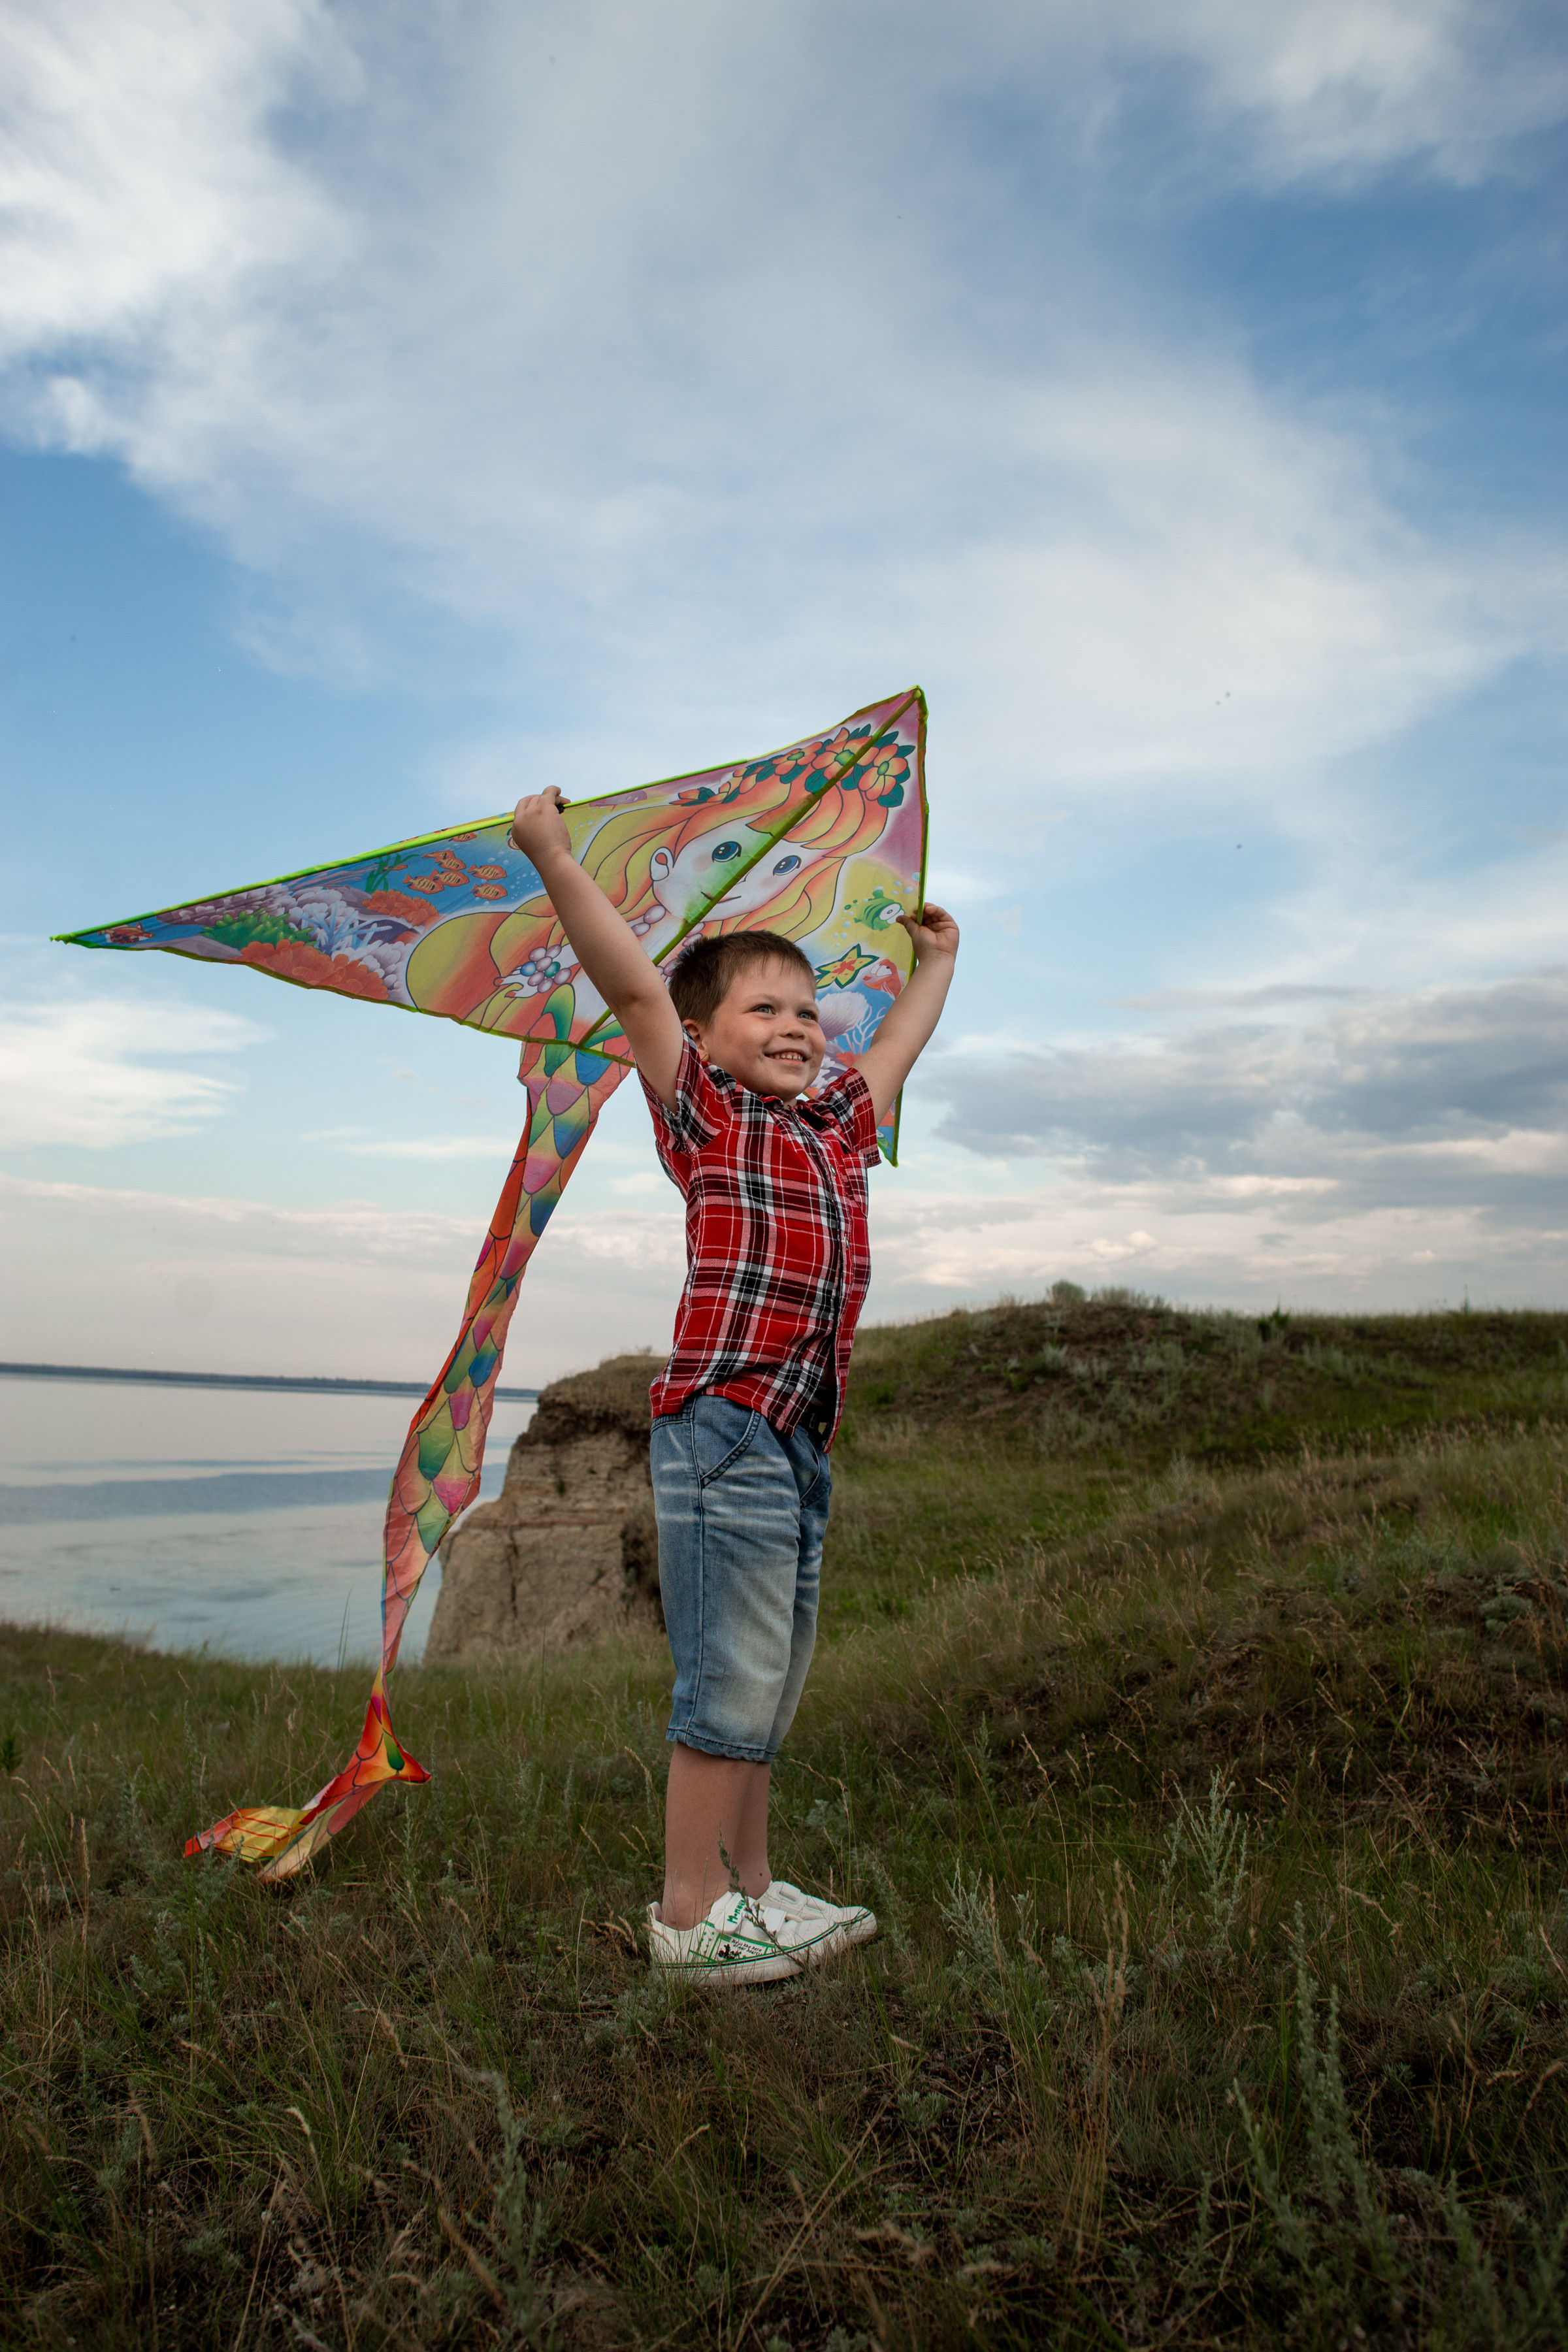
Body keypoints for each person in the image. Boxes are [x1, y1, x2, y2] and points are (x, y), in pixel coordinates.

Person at [508, 783, 959, 1985]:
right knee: (728, 1681)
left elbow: (899, 1048)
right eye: (765, 1007)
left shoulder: (838, 1128)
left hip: (800, 1439)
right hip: (724, 1427)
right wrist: (554, 854)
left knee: (772, 1681)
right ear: (705, 1044)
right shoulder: (707, 1116)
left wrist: (936, 965)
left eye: (810, 1010)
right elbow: (635, 985)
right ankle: (689, 1910)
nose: (799, 1025)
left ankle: (756, 1890)